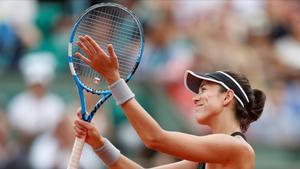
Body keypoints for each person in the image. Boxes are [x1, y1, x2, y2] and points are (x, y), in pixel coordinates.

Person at [73, 35, 266, 169]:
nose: (195, 97)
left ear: (227, 97)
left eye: (204, 90)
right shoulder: (200, 160)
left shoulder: (236, 147)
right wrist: (99, 144)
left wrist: (114, 80)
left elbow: (155, 138)